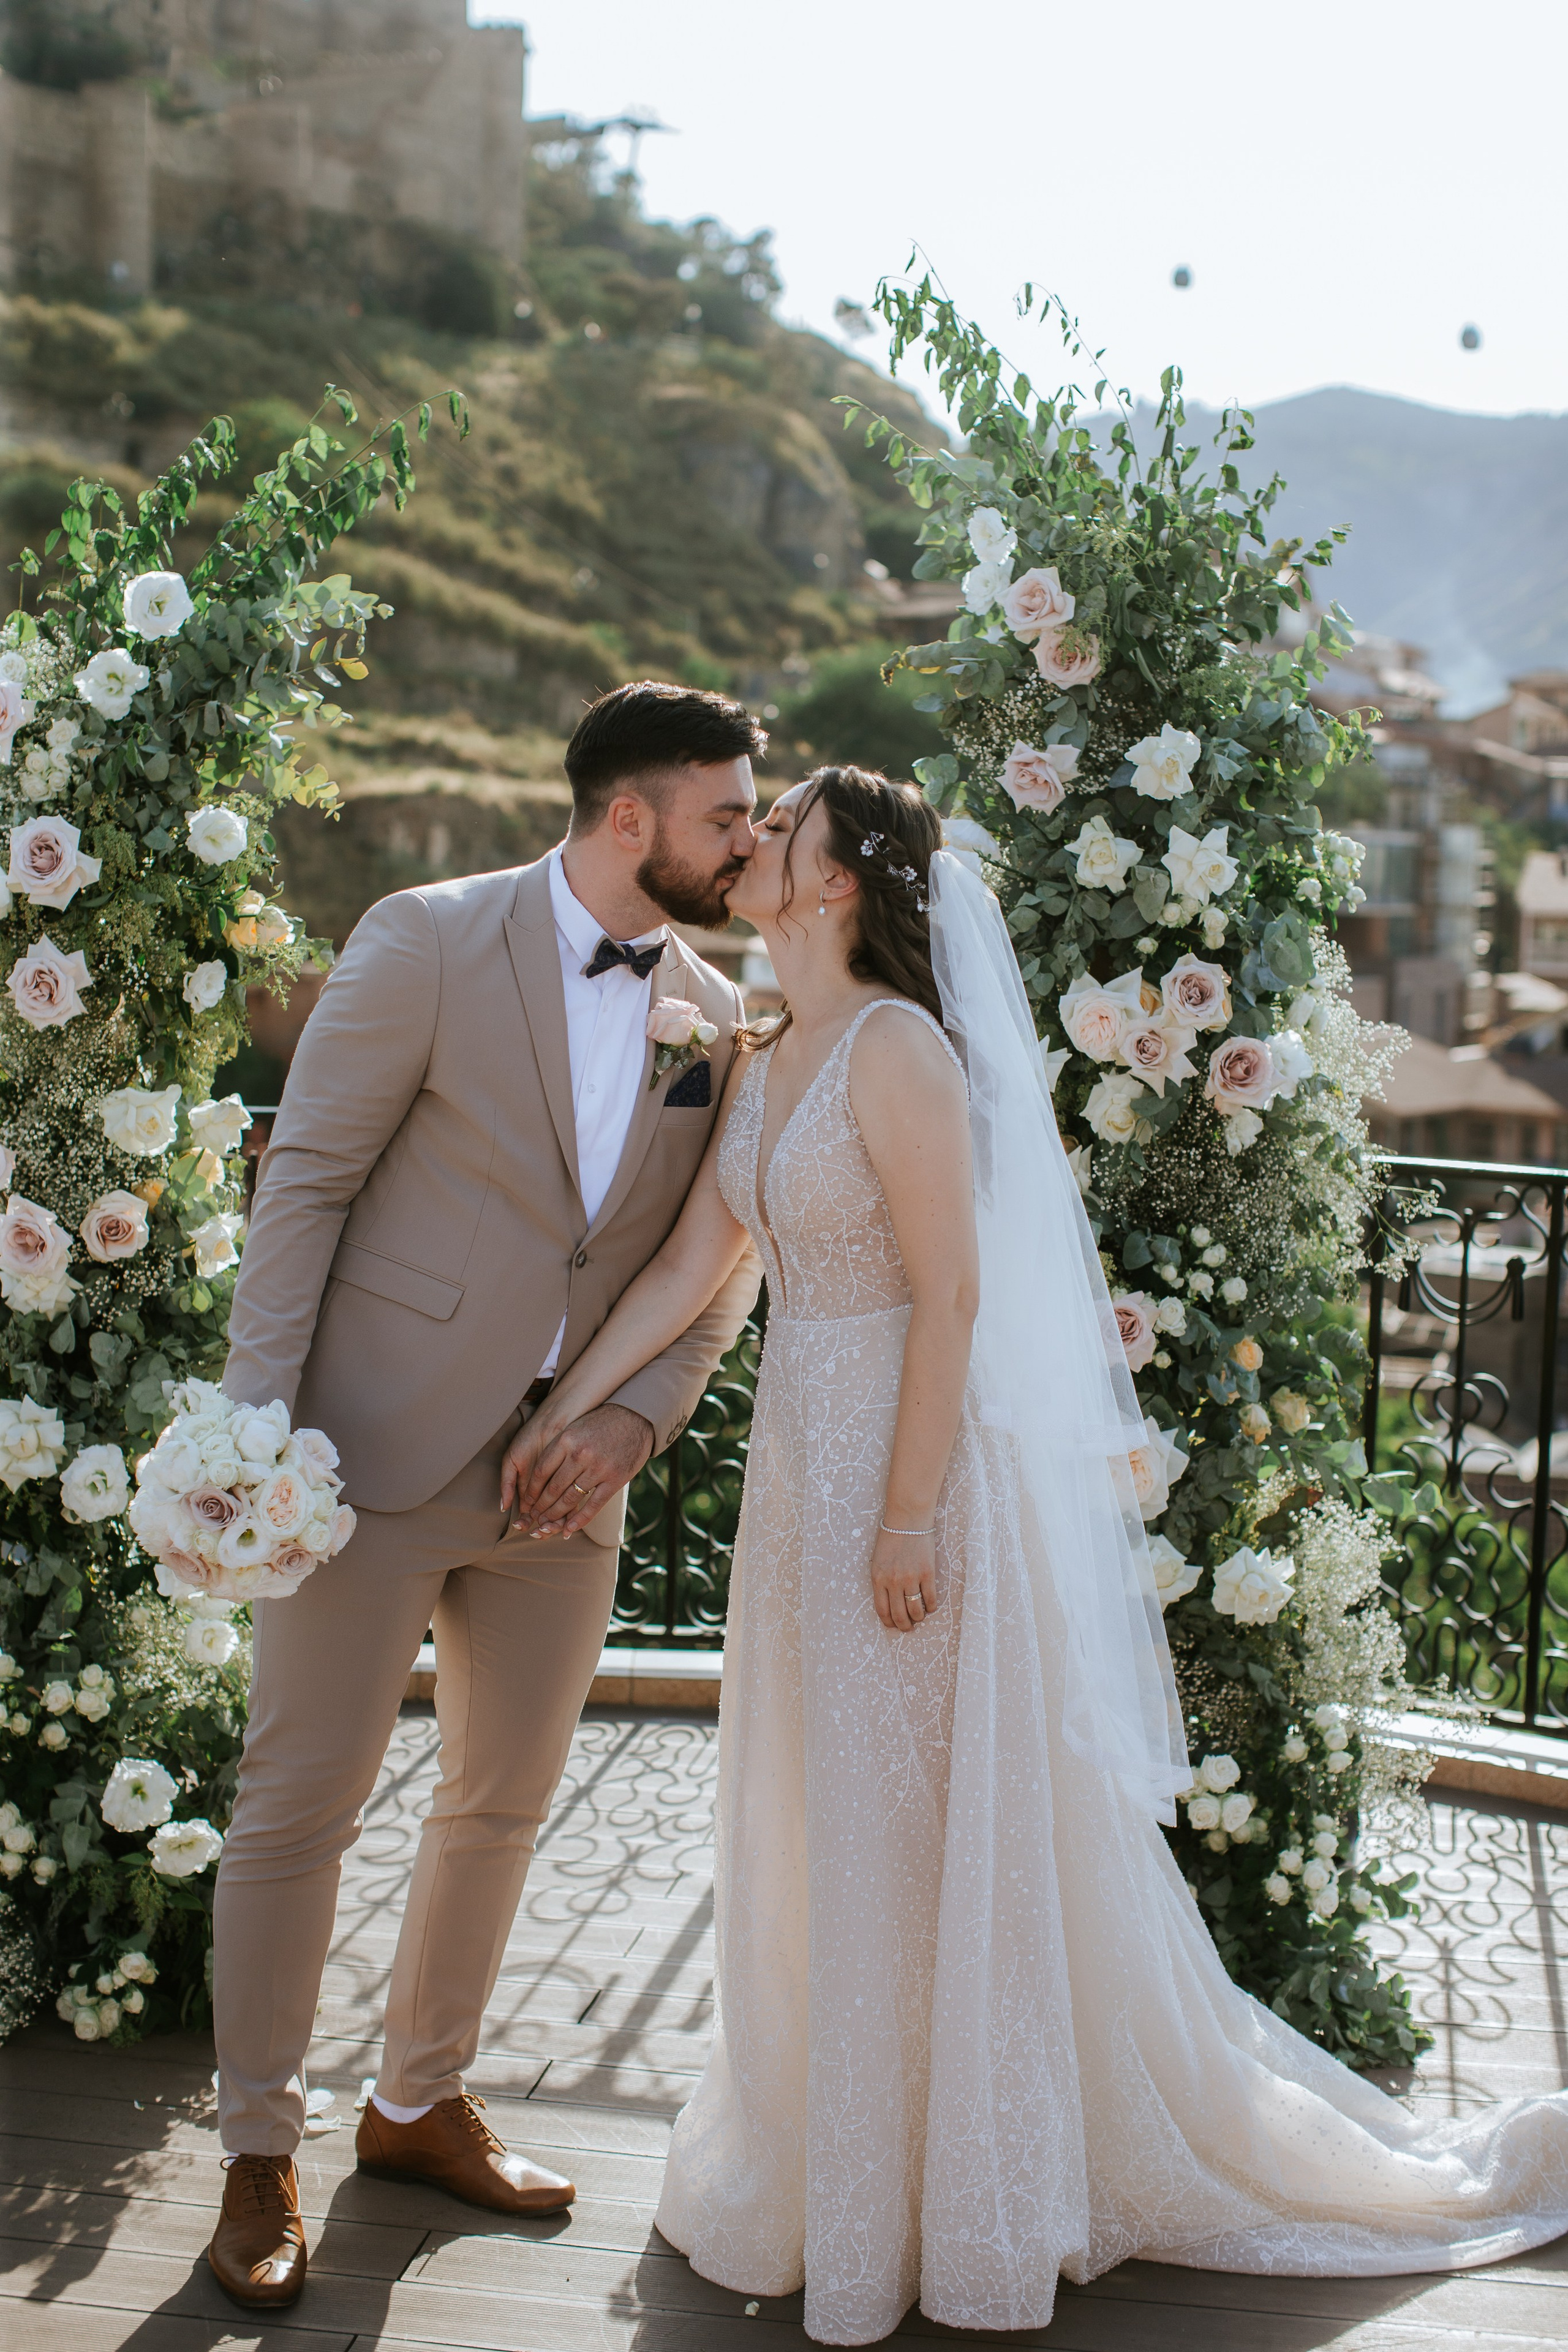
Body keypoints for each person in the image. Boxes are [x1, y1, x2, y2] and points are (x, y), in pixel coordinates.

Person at [506, 763, 1568, 2348]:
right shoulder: (773, 1044)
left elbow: (954, 1297)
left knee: (911, 1820)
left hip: (906, 1475)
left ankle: (949, 2193)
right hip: (800, 1476)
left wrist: (913, 1512)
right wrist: (556, 1403)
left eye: (775, 831)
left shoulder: (899, 1049)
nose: (749, 847)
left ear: (841, 880)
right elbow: (692, 1264)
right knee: (826, 1811)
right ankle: (837, 2170)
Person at [204, 680, 764, 2311]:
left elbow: (705, 1270)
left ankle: (417, 2104)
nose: (749, 842)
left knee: (503, 1806)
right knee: (298, 1804)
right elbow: (308, 1178)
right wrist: (259, 1435)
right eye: (727, 815)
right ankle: (255, 2151)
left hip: (563, 1485)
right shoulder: (428, 938)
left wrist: (636, 1428)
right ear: (632, 819)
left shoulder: (720, 1013)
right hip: (363, 1458)